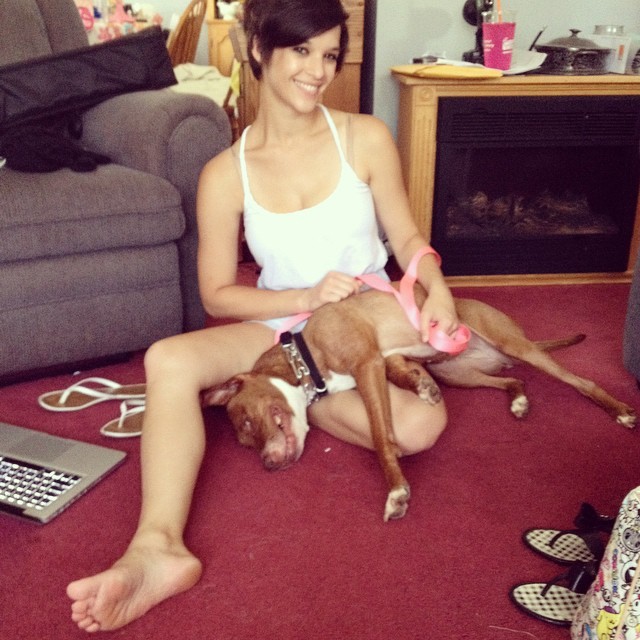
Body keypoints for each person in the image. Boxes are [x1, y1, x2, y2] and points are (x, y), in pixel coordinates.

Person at [66, 0, 460, 631]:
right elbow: (219, 294)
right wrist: (303, 299)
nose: (318, 71)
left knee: (419, 429)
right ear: (258, 48)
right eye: (301, 50)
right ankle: (157, 548)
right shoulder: (225, 173)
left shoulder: (364, 137)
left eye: (329, 55)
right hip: (282, 326)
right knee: (169, 359)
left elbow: (408, 238)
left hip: (363, 320)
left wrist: (434, 285)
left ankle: (295, 395)